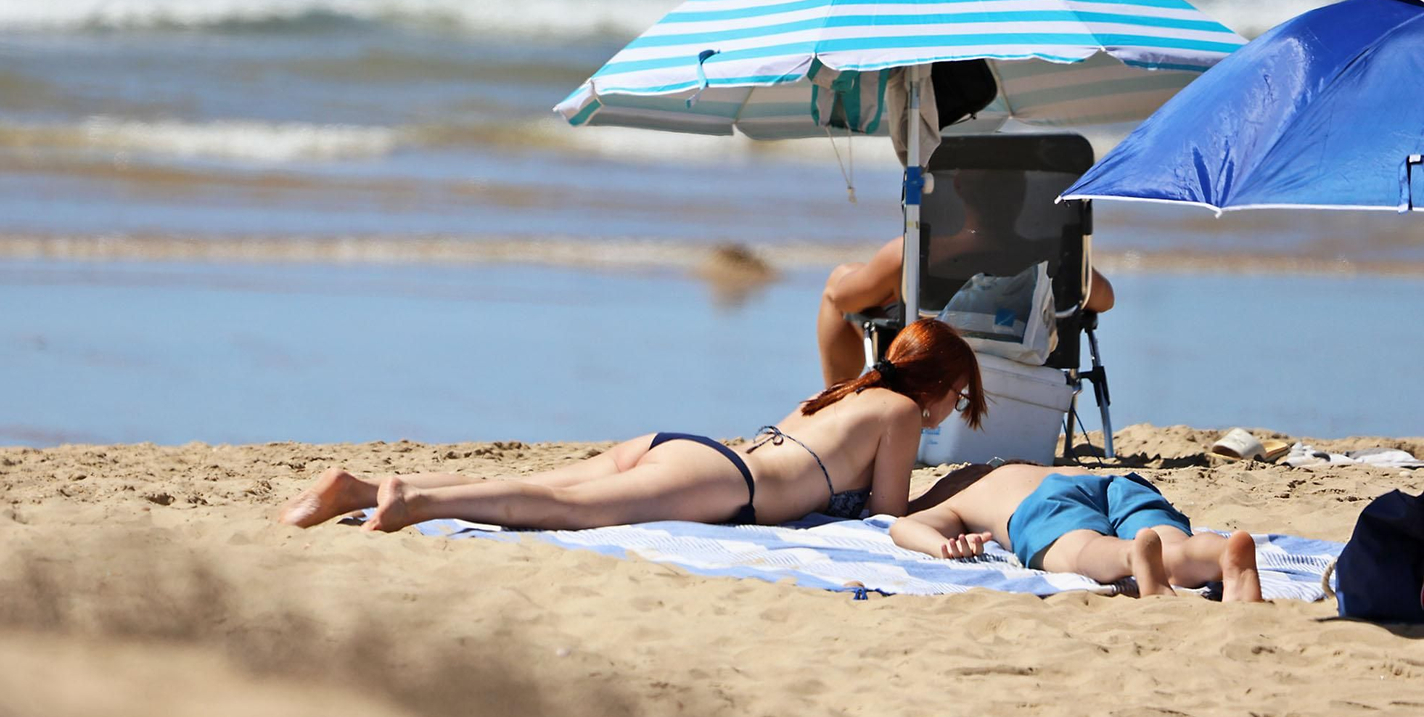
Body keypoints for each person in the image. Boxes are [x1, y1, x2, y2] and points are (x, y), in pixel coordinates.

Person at [278, 318, 986, 532]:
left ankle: (358, 488)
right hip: (724, 483)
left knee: (539, 482)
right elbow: (888, 512)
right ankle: (412, 501)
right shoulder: (900, 410)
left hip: (684, 449)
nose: (950, 411)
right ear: (938, 384)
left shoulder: (838, 391)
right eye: (957, 397)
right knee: (560, 509)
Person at [889, 463, 1264, 601]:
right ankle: (1221, 554)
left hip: (1047, 500)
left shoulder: (973, 492)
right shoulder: (1032, 469)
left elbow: (903, 525)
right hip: (1119, 484)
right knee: (1174, 547)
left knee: (1083, 549)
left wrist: (942, 546)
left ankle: (1131, 555)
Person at [816, 238, 1115, 389]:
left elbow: (843, 300)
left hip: (930, 370)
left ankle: (835, 403)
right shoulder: (1050, 255)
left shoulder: (913, 251)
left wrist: (896, 282)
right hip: (1025, 366)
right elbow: (1104, 299)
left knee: (840, 280)